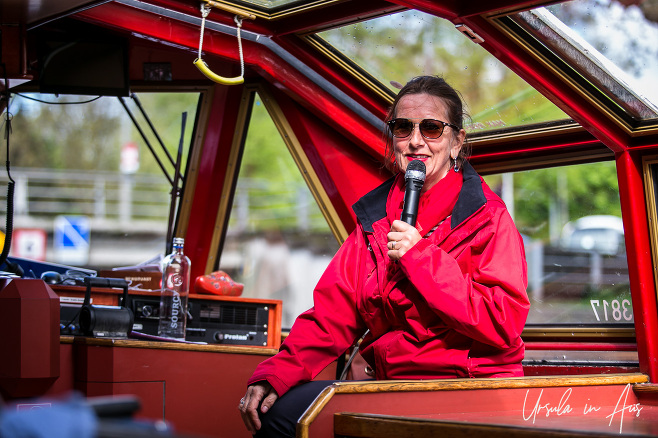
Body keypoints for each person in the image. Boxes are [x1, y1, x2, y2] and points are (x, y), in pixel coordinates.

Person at [239, 75, 530, 437]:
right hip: (395, 386)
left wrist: (420, 255)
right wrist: (277, 374)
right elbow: (333, 312)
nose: (416, 141)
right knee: (279, 416)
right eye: (403, 127)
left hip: (468, 387)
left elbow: (502, 321)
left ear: (457, 143)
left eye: (432, 128)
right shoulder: (377, 219)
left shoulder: (488, 218)